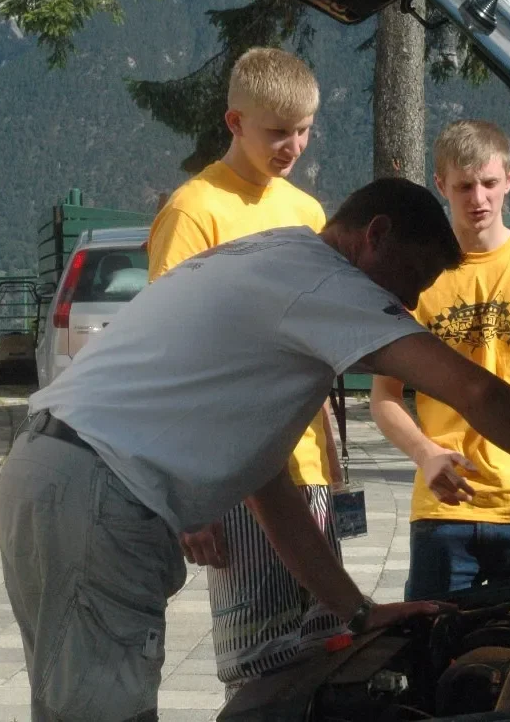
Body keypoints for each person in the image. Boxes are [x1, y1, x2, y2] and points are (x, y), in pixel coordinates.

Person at [0, 178, 510, 722]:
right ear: (374, 235)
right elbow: (474, 390)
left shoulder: (275, 259)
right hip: (97, 492)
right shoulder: (323, 282)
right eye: (411, 280)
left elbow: (265, 480)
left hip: (60, 475)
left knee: (76, 697)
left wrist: (356, 611)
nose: (405, 306)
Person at [146, 46, 348, 691]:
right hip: (234, 481)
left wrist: (336, 470)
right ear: (235, 123)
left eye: (303, 130)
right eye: (276, 131)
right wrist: (189, 500)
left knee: (327, 650)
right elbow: (171, 357)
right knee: (259, 662)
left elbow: (315, 355)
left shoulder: (308, 213)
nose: (292, 145)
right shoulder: (195, 210)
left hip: (308, 469)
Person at [371, 120, 510, 599]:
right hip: (442, 510)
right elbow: (384, 398)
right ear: (441, 185)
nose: (479, 199)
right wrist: (425, 453)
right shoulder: (418, 276)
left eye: (489, 183)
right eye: (465, 186)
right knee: (434, 656)